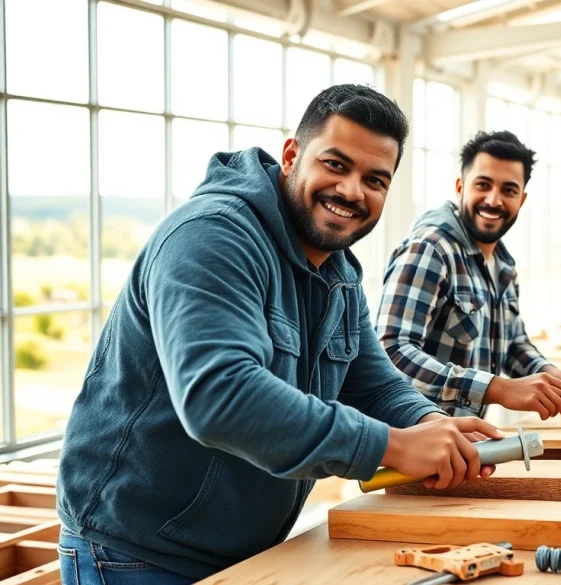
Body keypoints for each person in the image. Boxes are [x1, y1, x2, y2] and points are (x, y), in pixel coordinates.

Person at [55, 85, 504, 585]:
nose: (352, 191)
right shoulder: (212, 238)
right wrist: (391, 446)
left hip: (246, 550)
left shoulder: (337, 271)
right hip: (140, 554)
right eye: (336, 165)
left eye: (374, 179)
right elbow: (219, 396)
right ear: (292, 155)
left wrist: (433, 425)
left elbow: (373, 383)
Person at [376, 130, 561, 420]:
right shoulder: (431, 249)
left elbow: (512, 344)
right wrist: (498, 388)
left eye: (508, 190)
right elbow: (392, 351)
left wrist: (550, 374)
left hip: (461, 442)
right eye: (483, 185)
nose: (494, 200)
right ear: (460, 186)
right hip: (410, 436)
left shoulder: (503, 264)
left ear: (522, 199)